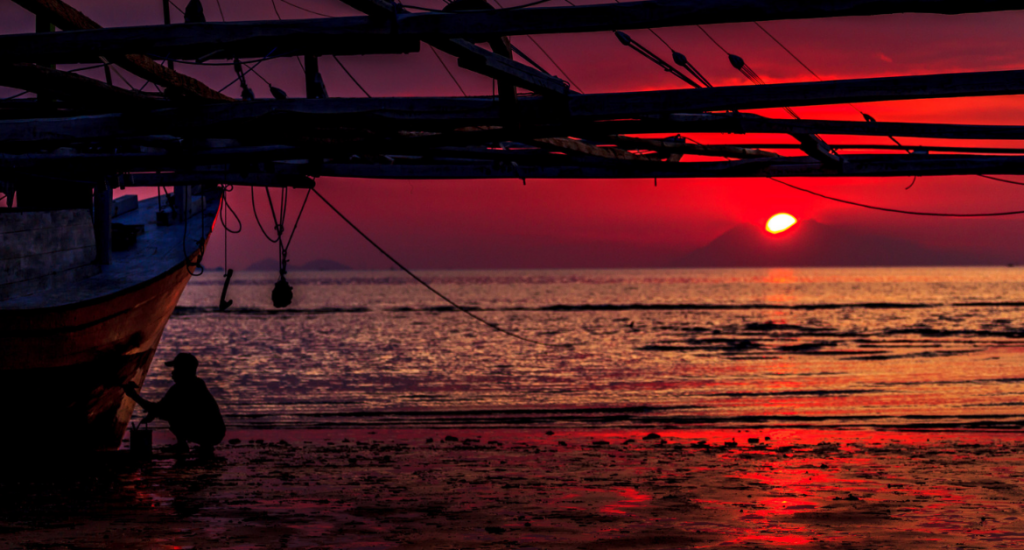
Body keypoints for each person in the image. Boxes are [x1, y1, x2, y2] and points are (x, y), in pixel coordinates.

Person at [122, 353, 226, 452]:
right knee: (172, 413)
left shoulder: (183, 388)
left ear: (185, 370)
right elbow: (160, 407)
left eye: (176, 369)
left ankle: (185, 445)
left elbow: (159, 409)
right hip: (216, 431)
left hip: (211, 432)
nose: (172, 372)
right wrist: (153, 413)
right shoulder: (195, 384)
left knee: (173, 415)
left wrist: (133, 395)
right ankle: (201, 445)